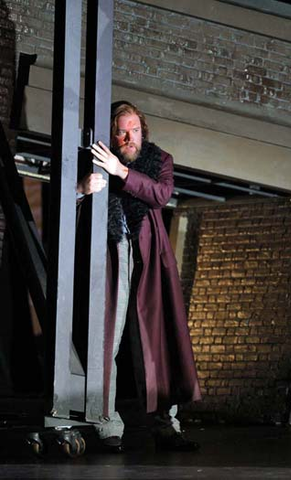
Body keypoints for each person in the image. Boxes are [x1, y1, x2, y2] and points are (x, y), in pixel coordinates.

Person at [76, 101, 201, 452]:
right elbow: (65, 204)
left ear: (143, 131)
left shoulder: (158, 160)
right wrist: (81, 189)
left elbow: (161, 195)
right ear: (111, 134)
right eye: (121, 131)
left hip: (150, 258)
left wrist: (122, 172)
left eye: (135, 130)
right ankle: (106, 424)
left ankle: (165, 426)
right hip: (111, 255)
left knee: (156, 340)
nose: (129, 137)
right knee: (105, 342)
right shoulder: (94, 161)